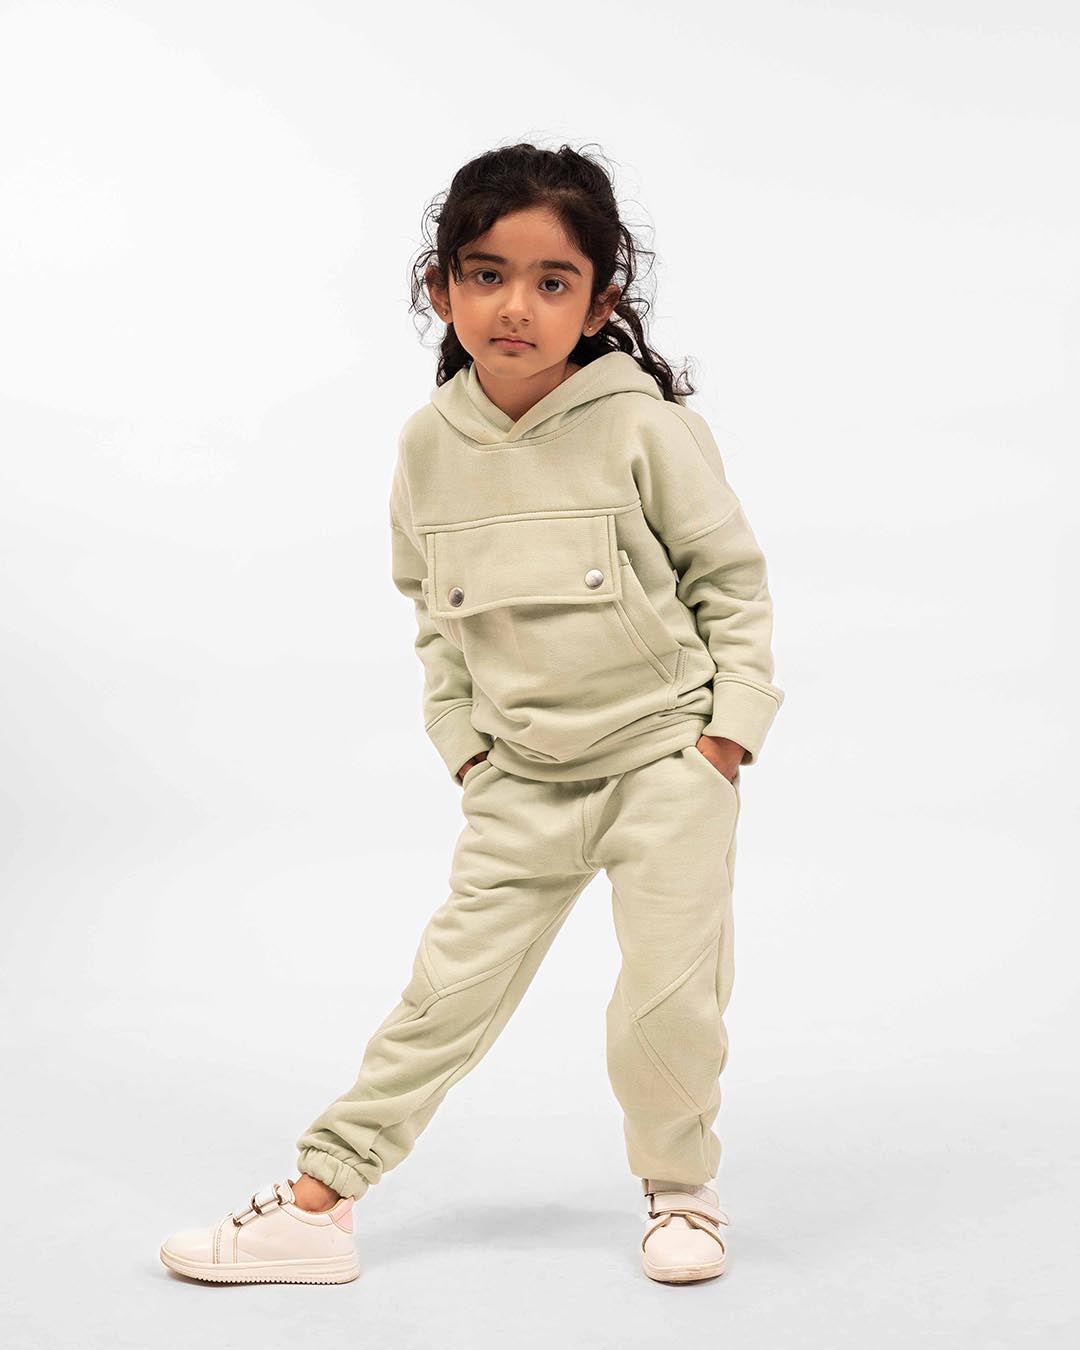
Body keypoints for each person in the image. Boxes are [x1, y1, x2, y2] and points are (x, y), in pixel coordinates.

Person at [159, 141, 785, 1287]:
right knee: (441, 999)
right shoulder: (427, 447)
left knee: (666, 1006)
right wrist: (468, 754)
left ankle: (683, 1198)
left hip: (664, 764)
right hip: (523, 782)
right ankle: (318, 1207)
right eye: (486, 274)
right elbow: (433, 621)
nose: (515, 306)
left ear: (601, 302)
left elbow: (731, 584)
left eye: (553, 281)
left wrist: (724, 740)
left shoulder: (645, 427)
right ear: (439, 289)